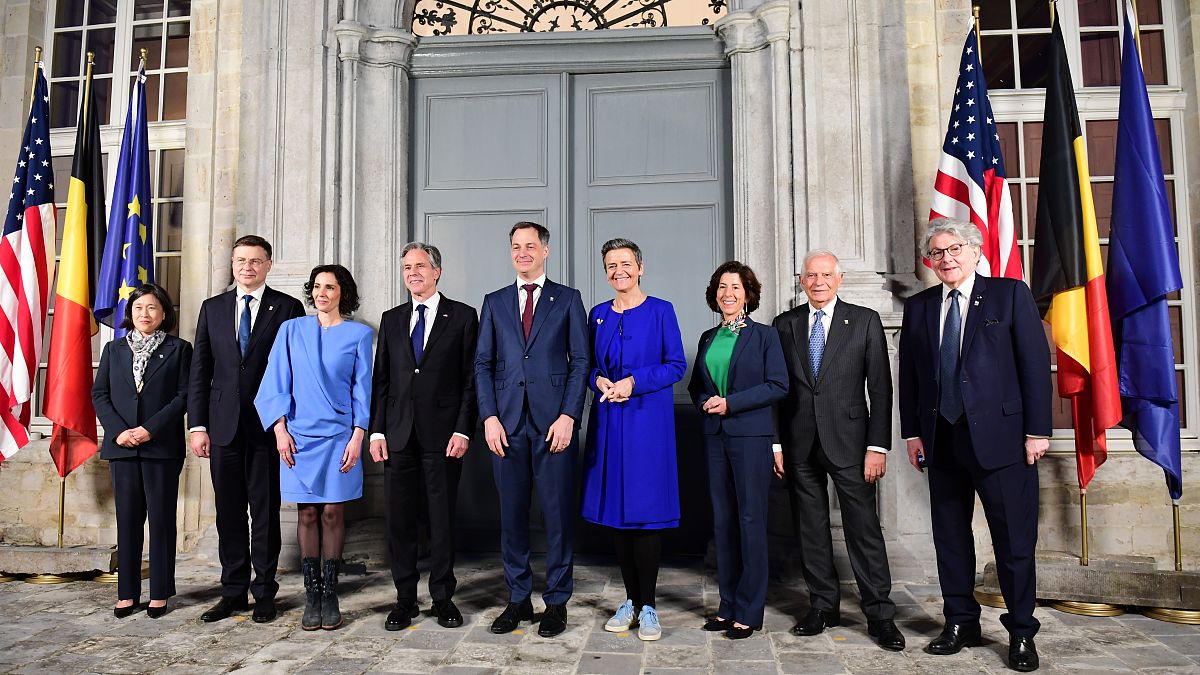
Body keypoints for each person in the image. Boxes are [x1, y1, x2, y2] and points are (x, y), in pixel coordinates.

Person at [899, 218, 1051, 672]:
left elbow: (1033, 365)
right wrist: (912, 433)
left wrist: (1037, 431)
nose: (946, 259)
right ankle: (961, 622)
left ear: (976, 250)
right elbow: (909, 377)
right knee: (949, 537)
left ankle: (1022, 632)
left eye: (955, 249)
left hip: (1003, 441)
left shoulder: (1008, 294)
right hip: (941, 440)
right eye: (938, 253)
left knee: (1014, 541)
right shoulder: (920, 306)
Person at [773, 251, 903, 651]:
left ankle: (879, 613)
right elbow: (778, 391)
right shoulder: (784, 325)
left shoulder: (864, 320)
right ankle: (823, 606)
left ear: (840, 278)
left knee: (863, 530)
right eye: (811, 275)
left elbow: (880, 390)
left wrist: (877, 447)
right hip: (799, 444)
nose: (818, 281)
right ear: (801, 280)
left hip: (851, 444)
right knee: (810, 530)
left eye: (826, 274)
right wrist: (777, 444)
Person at [474, 221, 589, 638]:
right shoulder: (495, 301)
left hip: (554, 424)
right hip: (505, 425)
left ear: (546, 250)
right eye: (516, 247)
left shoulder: (568, 299)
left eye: (530, 246)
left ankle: (556, 602)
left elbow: (581, 362)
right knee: (511, 518)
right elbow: (483, 364)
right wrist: (488, 417)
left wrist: (568, 416)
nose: (522, 253)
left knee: (557, 517)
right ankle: (518, 599)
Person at [189, 235, 305, 624]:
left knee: (266, 511)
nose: (247, 267)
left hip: (267, 429)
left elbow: (294, 369)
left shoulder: (288, 308)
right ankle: (233, 592)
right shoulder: (213, 308)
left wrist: (286, 423)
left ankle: (265, 592)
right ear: (233, 263)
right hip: (221, 427)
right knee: (230, 514)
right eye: (241, 260)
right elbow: (200, 371)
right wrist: (198, 425)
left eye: (256, 261)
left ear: (269, 265)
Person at [255, 264, 374, 631]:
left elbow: (363, 389)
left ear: (344, 293)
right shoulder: (291, 330)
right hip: (297, 436)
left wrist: (358, 436)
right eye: (318, 287)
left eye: (331, 287)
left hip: (340, 436)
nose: (322, 293)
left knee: (333, 514)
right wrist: (279, 430)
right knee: (306, 513)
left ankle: (331, 591)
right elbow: (275, 380)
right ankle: (312, 593)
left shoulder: (360, 335)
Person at [369, 242, 479, 631]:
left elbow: (470, 380)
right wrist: (376, 430)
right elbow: (381, 379)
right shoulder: (392, 318)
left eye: (419, 266)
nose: (412, 272)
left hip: (444, 435)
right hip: (398, 435)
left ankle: (443, 597)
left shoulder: (464, 316)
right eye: (406, 267)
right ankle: (404, 599)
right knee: (399, 520)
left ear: (437, 271)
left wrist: (464, 428)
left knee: (441, 519)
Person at [582, 238, 686, 642]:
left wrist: (633, 382)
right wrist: (599, 380)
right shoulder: (597, 315)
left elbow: (675, 365)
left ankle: (649, 606)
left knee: (644, 515)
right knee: (618, 517)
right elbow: (587, 366)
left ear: (640, 267)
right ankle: (629, 599)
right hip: (609, 424)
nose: (618, 271)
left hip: (647, 428)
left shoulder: (662, 311)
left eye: (625, 263)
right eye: (611, 265)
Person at [687, 261, 788, 640]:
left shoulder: (765, 337)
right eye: (721, 288)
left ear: (747, 294)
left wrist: (731, 403)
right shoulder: (707, 338)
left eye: (735, 287)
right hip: (715, 437)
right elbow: (698, 387)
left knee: (750, 523)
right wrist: (706, 403)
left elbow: (778, 385)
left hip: (751, 438)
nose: (727, 294)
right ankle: (727, 605)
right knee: (723, 523)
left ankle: (749, 609)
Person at [93, 284, 192, 619]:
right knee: (128, 521)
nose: (144, 314)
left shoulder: (180, 350)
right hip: (121, 447)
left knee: (162, 521)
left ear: (164, 313)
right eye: (138, 308)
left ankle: (160, 592)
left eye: (152, 308)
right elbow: (100, 394)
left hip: (161, 447)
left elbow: (183, 396)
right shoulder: (113, 350)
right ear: (129, 313)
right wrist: (119, 431)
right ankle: (127, 593)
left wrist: (149, 428)